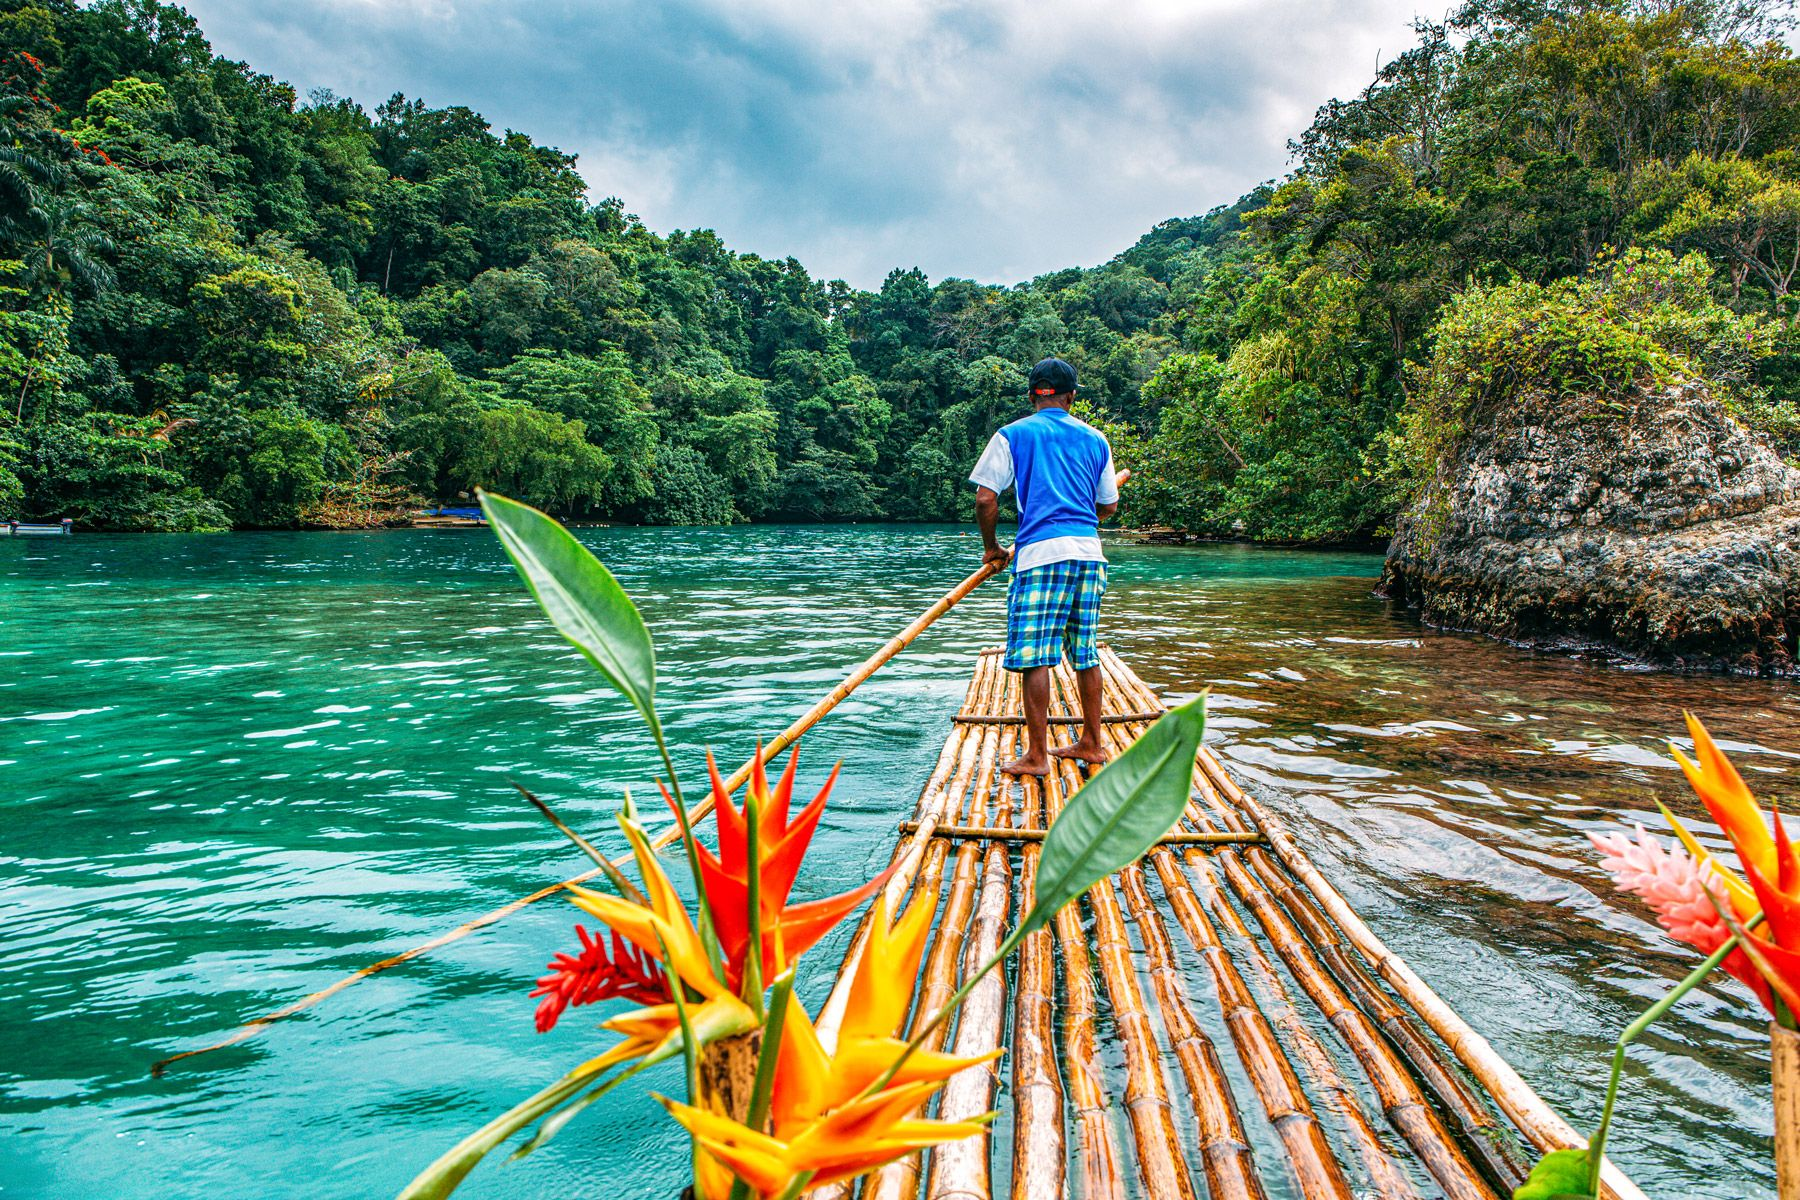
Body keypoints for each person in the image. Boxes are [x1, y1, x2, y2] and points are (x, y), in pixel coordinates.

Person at [969, 357, 1125, 777]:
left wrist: (993, 548)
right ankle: (1092, 743)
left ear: (1032, 395)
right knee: (1085, 653)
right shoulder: (1096, 439)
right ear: (1071, 396)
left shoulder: (1012, 434)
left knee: (1036, 657)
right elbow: (1108, 505)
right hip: (1089, 556)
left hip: (1040, 557)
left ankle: (1037, 755)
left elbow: (986, 499)